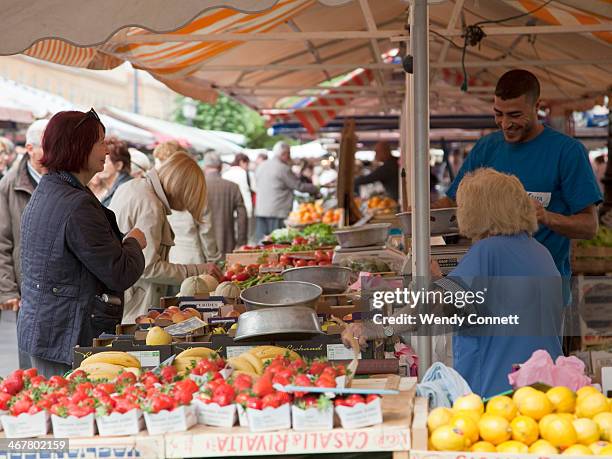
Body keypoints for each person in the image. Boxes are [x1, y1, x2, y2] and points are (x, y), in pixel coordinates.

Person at [343, 169, 564, 397]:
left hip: (499, 388)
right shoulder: (540, 252)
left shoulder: (488, 251)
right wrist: (441, 282)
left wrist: (377, 329)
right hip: (545, 386)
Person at [434, 69, 602, 279]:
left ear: (537, 107)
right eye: (498, 114)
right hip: (501, 291)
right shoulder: (487, 147)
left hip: (543, 290)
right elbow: (452, 201)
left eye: (515, 115)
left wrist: (546, 217)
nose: (505, 123)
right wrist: (424, 212)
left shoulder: (567, 152)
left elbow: (589, 226)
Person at [18, 109, 146, 376]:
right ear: (78, 146)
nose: (107, 150)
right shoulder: (76, 204)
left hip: (49, 329)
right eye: (100, 141)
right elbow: (119, 272)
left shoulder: (50, 189)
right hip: (66, 334)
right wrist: (133, 243)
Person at [109, 152, 222, 324]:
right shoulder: (151, 205)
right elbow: (148, 267)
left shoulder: (132, 186)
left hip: (120, 299)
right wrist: (197, 270)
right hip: (135, 306)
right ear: (181, 188)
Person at [0, 119, 48, 369]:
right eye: (45, 146)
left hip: (58, 283)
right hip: (26, 285)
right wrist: (8, 290)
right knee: (30, 360)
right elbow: (1, 241)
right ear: (29, 149)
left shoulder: (62, 178)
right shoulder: (8, 185)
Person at [254, 142, 318, 242]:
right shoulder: (283, 168)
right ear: (283, 154)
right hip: (277, 211)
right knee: (276, 242)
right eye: (288, 154)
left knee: (262, 242)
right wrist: (315, 188)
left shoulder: (261, 166)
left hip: (261, 210)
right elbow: (298, 186)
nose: (289, 157)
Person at [203, 152, 248, 256]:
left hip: (203, 244)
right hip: (227, 241)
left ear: (205, 167)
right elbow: (242, 216)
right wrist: (241, 242)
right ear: (220, 167)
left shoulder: (196, 187)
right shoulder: (232, 187)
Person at [99, 137, 132, 207]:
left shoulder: (126, 190)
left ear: (119, 165)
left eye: (103, 161)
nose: (98, 164)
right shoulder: (113, 188)